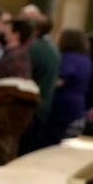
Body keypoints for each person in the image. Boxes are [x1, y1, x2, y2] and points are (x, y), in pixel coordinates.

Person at [41, 28, 93, 146]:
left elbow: (60, 80)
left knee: (53, 142)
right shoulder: (86, 59)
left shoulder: (68, 58)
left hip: (62, 106)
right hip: (79, 106)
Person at [20, 12, 61, 153]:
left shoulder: (34, 49)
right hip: (45, 103)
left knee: (24, 148)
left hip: (32, 105)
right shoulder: (53, 48)